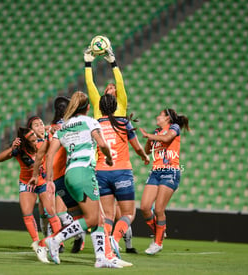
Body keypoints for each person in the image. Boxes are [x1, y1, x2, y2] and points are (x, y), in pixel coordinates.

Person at [41, 91, 121, 268]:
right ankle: (55, 240)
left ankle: (101, 258)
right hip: (84, 172)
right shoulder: (90, 121)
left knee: (98, 217)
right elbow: (102, 144)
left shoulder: (64, 126)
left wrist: (49, 181)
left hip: (69, 174)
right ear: (88, 108)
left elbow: (49, 155)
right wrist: (108, 158)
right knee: (92, 219)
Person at [95, 94, 150, 259]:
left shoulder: (95, 124)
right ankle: (115, 239)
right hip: (121, 172)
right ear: (115, 106)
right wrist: (144, 157)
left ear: (100, 108)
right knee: (128, 213)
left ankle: (106, 250)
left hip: (101, 172)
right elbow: (138, 148)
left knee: (108, 216)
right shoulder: (123, 123)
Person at [28, 96, 85, 253]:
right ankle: (63, 239)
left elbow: (41, 153)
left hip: (53, 174)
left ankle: (60, 240)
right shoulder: (66, 127)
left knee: (52, 212)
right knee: (53, 211)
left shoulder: (54, 128)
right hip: (61, 173)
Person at [0, 126, 61, 263]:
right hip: (27, 183)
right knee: (27, 213)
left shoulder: (41, 144)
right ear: (25, 142)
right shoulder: (19, 151)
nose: (35, 141)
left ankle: (57, 241)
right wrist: (12, 148)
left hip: (42, 181)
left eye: (35, 139)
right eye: (32, 140)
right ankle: (37, 243)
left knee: (51, 212)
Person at [139, 108, 190, 255]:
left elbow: (167, 139)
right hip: (156, 172)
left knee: (159, 209)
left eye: (160, 115)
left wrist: (150, 135)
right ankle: (160, 231)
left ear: (167, 118)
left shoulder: (173, 128)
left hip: (170, 171)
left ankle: (158, 242)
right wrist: (150, 138)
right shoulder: (156, 132)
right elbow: (148, 150)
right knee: (145, 207)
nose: (157, 117)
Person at [84, 46, 127, 119]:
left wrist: (113, 63)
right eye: (108, 87)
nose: (109, 88)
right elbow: (89, 83)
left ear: (117, 92)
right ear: (104, 92)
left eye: (112, 87)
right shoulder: (98, 102)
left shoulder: (121, 102)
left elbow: (119, 82)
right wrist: (87, 63)